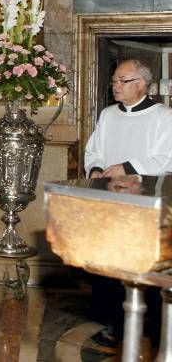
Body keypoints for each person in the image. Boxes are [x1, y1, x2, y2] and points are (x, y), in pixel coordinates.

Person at [84, 58, 172, 349]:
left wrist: (129, 167)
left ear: (142, 84)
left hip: (144, 206)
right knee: (111, 267)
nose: (116, 86)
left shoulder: (163, 117)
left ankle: (153, 328)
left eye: (123, 81)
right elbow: (93, 149)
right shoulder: (108, 115)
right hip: (109, 203)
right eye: (114, 81)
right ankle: (116, 324)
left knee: (142, 267)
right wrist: (96, 168)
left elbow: (167, 158)